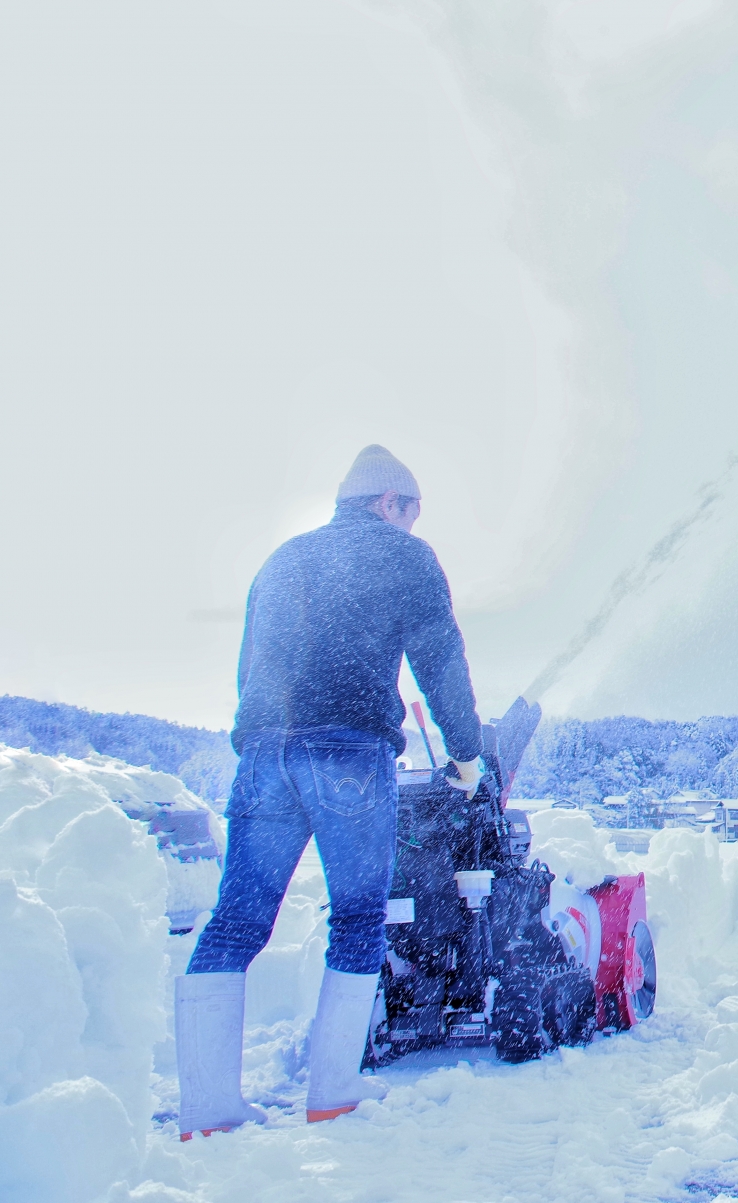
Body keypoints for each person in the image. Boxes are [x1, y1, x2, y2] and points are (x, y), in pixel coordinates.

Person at [175, 444, 484, 1138]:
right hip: (348, 749)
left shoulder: (284, 557)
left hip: (264, 750)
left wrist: (261, 738)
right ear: (387, 502)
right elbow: (440, 659)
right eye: (411, 509)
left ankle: (206, 1110)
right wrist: (466, 753)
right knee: (358, 916)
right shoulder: (408, 558)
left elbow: (250, 662)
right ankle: (333, 1093)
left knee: (234, 921)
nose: (412, 523)